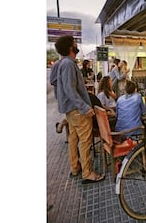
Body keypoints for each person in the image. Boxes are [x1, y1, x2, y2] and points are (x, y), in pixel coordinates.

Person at [55, 35, 105, 184]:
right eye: (74, 42)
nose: (77, 44)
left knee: (73, 139)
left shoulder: (63, 63)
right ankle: (88, 172)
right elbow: (70, 89)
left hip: (70, 111)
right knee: (85, 141)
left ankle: (75, 167)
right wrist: (84, 107)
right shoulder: (69, 64)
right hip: (78, 110)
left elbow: (60, 86)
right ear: (71, 47)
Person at [49, 59, 69, 138]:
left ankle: (67, 135)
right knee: (70, 114)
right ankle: (61, 125)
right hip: (63, 95)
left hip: (67, 94)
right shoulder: (58, 64)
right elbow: (53, 80)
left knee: (69, 115)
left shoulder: (67, 63)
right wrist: (66, 83)